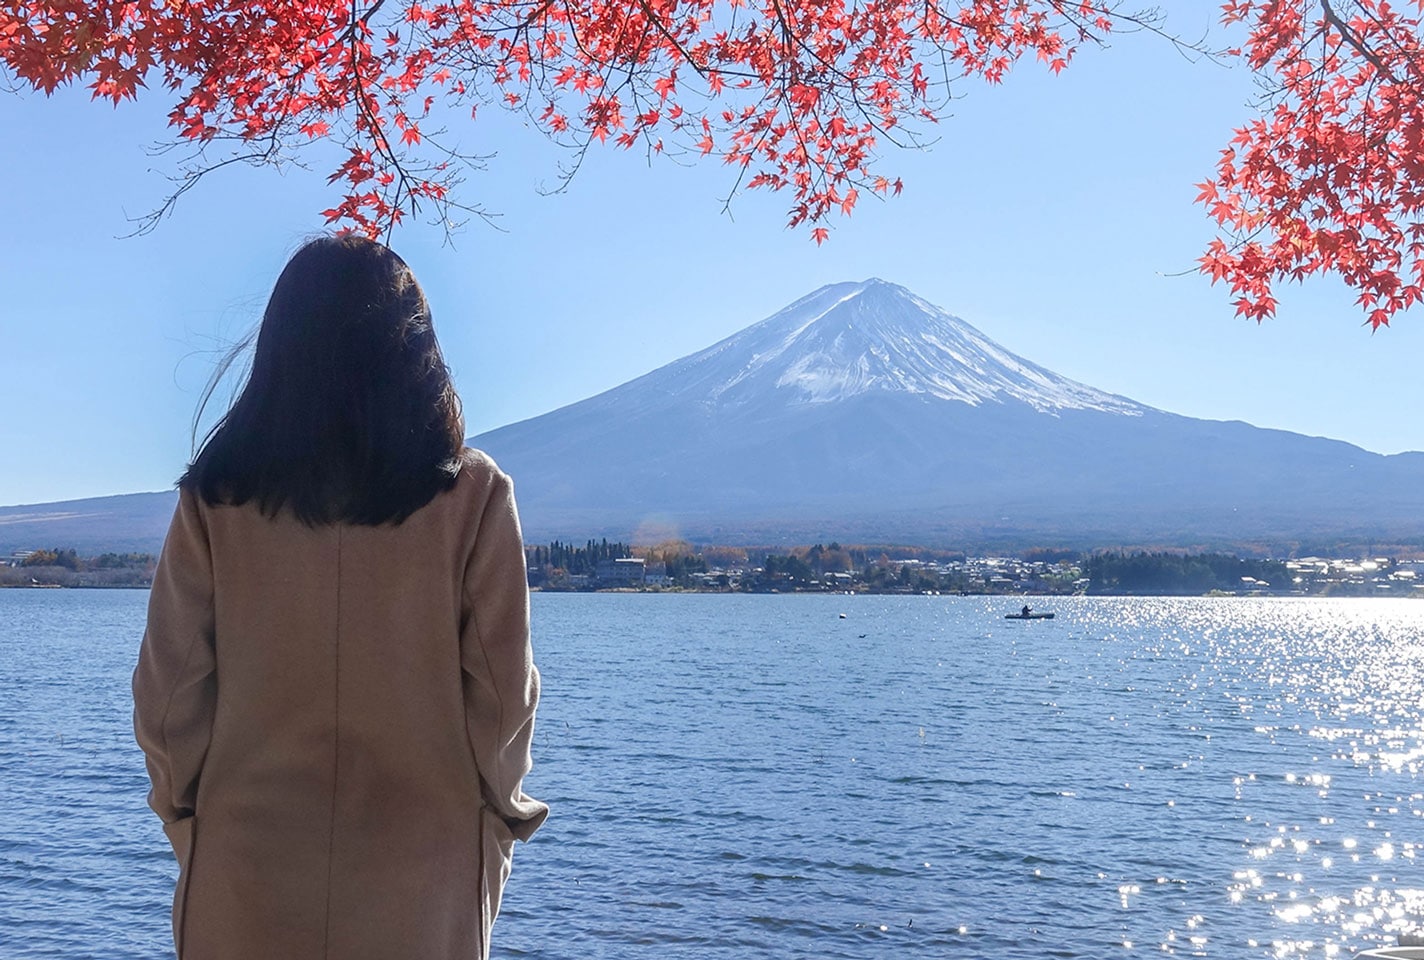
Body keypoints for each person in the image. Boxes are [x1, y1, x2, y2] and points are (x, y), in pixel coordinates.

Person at [133, 235, 547, 960]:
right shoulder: (474, 496)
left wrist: (189, 818)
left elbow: (167, 701)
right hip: (424, 872)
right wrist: (501, 817)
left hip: (246, 868)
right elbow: (502, 700)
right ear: (416, 350)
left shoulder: (214, 500)